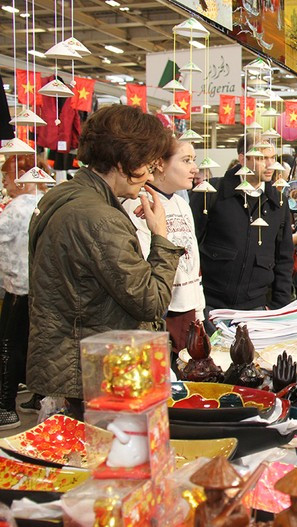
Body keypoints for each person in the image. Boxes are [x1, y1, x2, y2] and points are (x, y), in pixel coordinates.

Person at [27, 105, 182, 412]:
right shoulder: (101, 218)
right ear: (124, 161)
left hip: (74, 362)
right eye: (147, 165)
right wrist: (161, 237)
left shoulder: (62, 196)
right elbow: (151, 301)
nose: (149, 175)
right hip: (97, 372)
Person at [191, 134, 294, 323]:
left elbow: (284, 258)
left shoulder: (278, 202)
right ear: (242, 158)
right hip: (209, 306)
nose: (270, 164)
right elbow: (189, 245)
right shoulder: (212, 192)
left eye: (273, 158)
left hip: (256, 310)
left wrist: (279, 307)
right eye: (262, 158)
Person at [123, 141, 206, 354]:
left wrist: (199, 309)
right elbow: (141, 266)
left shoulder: (182, 204)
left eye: (194, 160)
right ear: (160, 164)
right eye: (186, 160)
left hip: (187, 308)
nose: (194, 168)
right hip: (161, 311)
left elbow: (193, 259)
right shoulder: (139, 204)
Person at [0, 155, 46, 428]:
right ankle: (39, 395)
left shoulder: (17, 207)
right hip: (41, 287)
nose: (6, 182)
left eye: (7, 176)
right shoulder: (46, 203)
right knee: (35, 344)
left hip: (17, 286)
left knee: (9, 345)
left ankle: (6, 408)